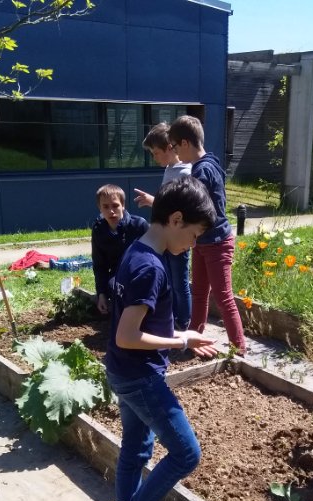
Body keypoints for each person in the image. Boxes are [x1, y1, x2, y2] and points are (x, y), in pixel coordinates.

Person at [108, 176, 218, 501]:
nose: (195, 242)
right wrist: (181, 341)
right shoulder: (151, 268)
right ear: (175, 219)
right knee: (187, 453)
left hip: (124, 372)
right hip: (139, 376)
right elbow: (127, 334)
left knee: (136, 451)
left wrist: (182, 332)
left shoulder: (136, 251)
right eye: (195, 233)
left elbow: (142, 325)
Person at [168, 115, 246, 355]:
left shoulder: (202, 171)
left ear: (184, 143)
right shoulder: (210, 162)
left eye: (174, 146)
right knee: (199, 292)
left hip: (217, 242)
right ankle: (195, 339)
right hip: (202, 241)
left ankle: (239, 348)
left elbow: (197, 208)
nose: (175, 153)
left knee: (223, 297)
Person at [134, 122, 193, 330]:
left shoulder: (185, 171)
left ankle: (184, 322)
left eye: (156, 153)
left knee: (180, 281)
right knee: (168, 278)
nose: (154, 157)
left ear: (170, 147)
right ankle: (173, 318)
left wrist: (154, 201)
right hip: (165, 237)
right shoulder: (170, 168)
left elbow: (179, 205)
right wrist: (154, 201)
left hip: (178, 237)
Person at [90, 184, 149, 316]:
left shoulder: (139, 225)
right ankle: (123, 324)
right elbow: (99, 265)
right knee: (115, 287)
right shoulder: (99, 230)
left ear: (123, 205)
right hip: (118, 274)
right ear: (99, 208)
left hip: (141, 271)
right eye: (105, 207)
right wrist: (101, 294)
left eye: (115, 205)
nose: (111, 211)